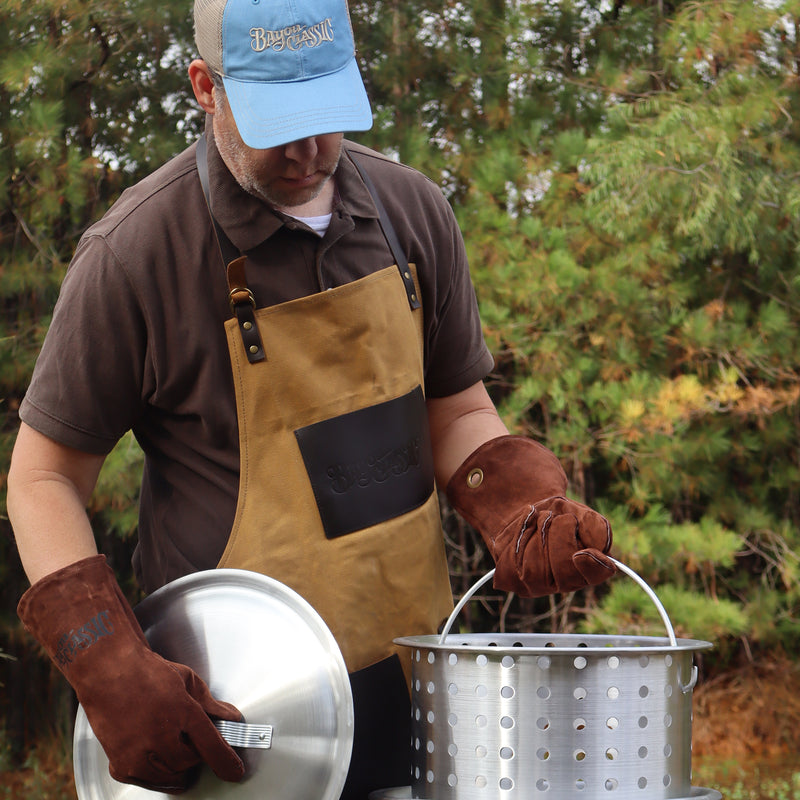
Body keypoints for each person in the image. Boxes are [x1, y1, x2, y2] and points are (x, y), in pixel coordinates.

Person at [7, 0, 616, 795]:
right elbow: (43, 477)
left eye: (324, 113)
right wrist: (109, 663)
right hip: (239, 724)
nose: (306, 149)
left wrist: (514, 504)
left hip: (424, 693)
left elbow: (459, 412)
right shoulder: (135, 256)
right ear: (205, 88)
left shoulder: (411, 213)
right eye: (276, 121)